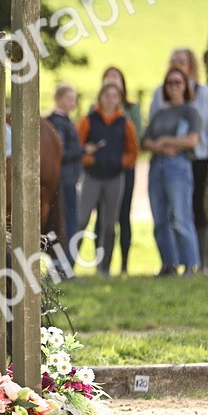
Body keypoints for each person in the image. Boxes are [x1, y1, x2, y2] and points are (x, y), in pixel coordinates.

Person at [149, 48, 208, 271]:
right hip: (167, 160)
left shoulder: (204, 93)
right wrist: (161, 146)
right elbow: (152, 129)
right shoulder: (159, 94)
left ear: (191, 64)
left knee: (193, 209)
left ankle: (199, 262)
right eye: (174, 61)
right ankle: (171, 262)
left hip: (198, 158)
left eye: (182, 61)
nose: (179, 64)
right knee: (167, 212)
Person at [142, 69, 202, 276]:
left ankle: (191, 264)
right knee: (160, 218)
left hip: (178, 166)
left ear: (185, 86)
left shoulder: (190, 111)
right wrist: (160, 147)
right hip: (157, 165)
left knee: (180, 216)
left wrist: (166, 140)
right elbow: (146, 141)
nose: (174, 87)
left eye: (178, 83)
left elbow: (193, 140)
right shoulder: (160, 113)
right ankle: (169, 264)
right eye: (170, 83)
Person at [76, 83, 139, 276]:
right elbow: (78, 145)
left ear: (119, 99)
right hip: (92, 177)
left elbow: (133, 150)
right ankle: (66, 266)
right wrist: (89, 158)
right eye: (107, 95)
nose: (111, 99)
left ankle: (104, 269)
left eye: (115, 96)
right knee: (81, 219)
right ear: (100, 97)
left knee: (110, 224)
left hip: (115, 178)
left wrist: (122, 162)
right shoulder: (88, 120)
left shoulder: (125, 123)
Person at [95, 66, 141, 274]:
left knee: (123, 215)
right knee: (101, 218)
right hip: (99, 171)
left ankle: (123, 263)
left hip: (122, 171)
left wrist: (122, 161)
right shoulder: (94, 111)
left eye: (116, 79)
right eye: (108, 79)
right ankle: (101, 264)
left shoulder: (131, 111)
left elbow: (135, 140)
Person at [46, 82, 84, 268]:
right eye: (69, 99)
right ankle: (63, 264)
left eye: (74, 99)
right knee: (66, 221)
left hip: (67, 178)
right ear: (58, 99)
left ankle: (62, 263)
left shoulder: (63, 121)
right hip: (64, 179)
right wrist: (83, 151)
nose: (72, 103)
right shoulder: (58, 122)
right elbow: (60, 152)